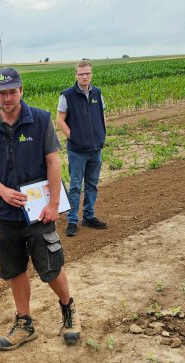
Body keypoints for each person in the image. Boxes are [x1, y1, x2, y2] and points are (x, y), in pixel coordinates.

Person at [0, 68, 81, 350]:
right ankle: (24, 323)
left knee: (50, 265)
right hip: (4, 211)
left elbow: (53, 162)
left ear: (21, 91)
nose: (7, 97)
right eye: (2, 93)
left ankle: (68, 310)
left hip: (38, 210)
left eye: (12, 91)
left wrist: (55, 204)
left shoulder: (41, 120)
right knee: (14, 269)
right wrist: (0, 189)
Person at [55, 60, 108, 237]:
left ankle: (89, 216)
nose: (84, 76)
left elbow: (102, 115)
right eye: (81, 74)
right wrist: (75, 137)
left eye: (87, 73)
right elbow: (60, 120)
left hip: (95, 149)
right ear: (75, 75)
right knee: (76, 186)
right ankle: (72, 221)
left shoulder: (97, 93)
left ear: (91, 74)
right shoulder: (67, 95)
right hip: (77, 151)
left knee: (92, 185)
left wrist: (102, 134)